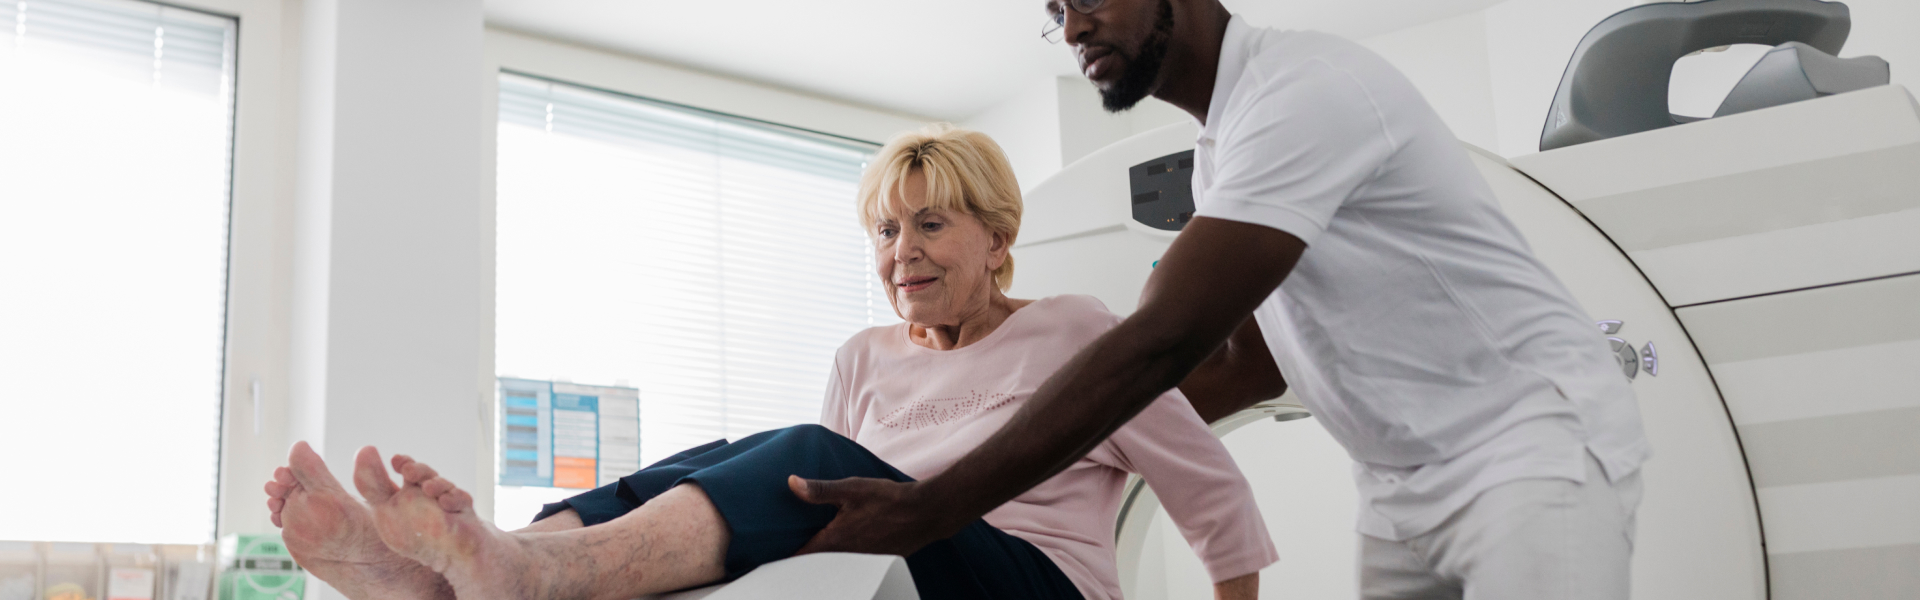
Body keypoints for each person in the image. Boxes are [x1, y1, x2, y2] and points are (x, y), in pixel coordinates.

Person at [791, 2, 1652, 599]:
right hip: (1399, 485)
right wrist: (1079, 432)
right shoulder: (1219, 154)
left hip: (1524, 445)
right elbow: (1253, 361)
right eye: (1055, 10)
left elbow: (1166, 336)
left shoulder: (1303, 91)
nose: (1073, 25)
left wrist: (936, 504)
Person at [263, 124, 1276, 600]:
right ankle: (459, 572)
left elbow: (1211, 490)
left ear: (999, 240)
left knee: (798, 450)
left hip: (1032, 584)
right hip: (897, 564)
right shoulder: (862, 356)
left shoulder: (1079, 331)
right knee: (726, 454)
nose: (902, 251)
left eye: (931, 224)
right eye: (884, 231)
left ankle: (516, 576)